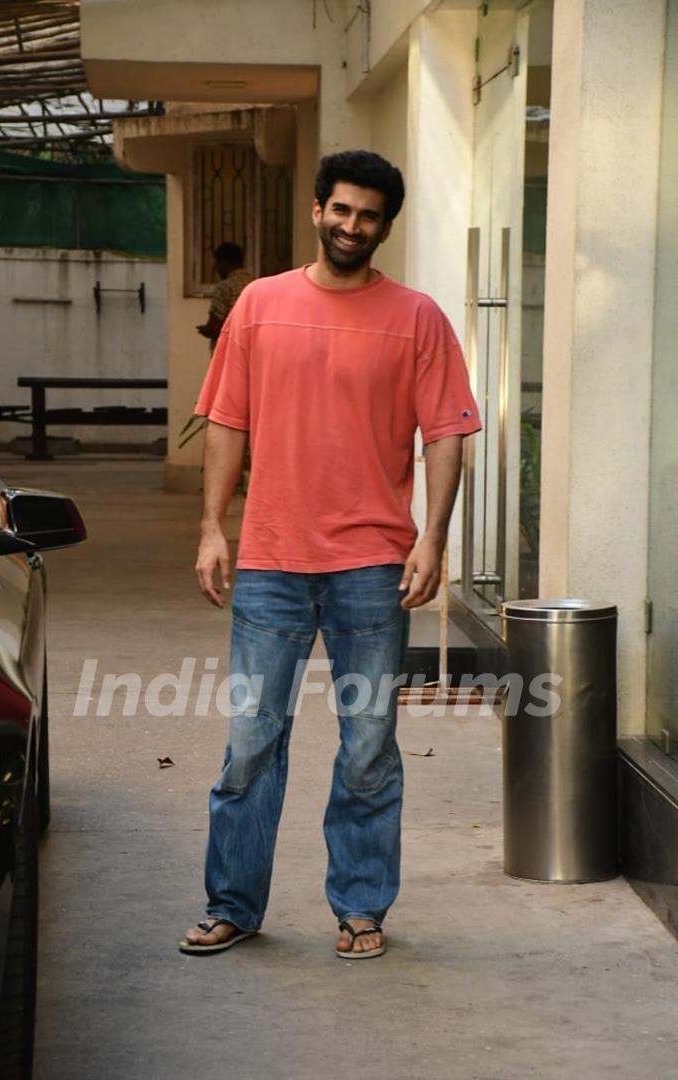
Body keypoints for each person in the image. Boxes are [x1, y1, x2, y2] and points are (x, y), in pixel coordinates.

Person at [180, 149, 481, 960]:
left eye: (370, 215)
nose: (353, 225)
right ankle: (233, 903)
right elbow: (228, 423)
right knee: (251, 740)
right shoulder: (259, 306)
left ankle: (360, 907)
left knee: (369, 742)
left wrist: (434, 534)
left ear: (386, 224)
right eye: (341, 209)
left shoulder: (418, 317)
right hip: (274, 560)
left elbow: (447, 431)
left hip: (370, 565)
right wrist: (214, 527)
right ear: (317, 210)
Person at [196, 242, 253, 350]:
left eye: (217, 263)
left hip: (228, 350)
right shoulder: (256, 283)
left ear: (224, 262)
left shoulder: (225, 287)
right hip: (252, 348)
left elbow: (215, 327)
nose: (216, 268)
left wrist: (205, 330)